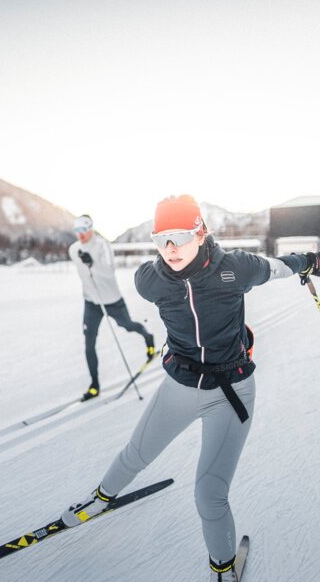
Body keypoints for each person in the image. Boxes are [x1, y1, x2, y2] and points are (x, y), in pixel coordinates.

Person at [63, 196, 320, 580]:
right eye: (161, 239)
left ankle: (222, 568)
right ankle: (101, 499)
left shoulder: (234, 268)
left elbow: (278, 267)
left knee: (209, 494)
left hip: (230, 394)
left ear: (201, 232)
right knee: (135, 454)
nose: (170, 248)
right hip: (180, 385)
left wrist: (310, 261)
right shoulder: (149, 280)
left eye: (180, 236)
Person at [69, 214, 155, 401]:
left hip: (112, 300)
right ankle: (94, 385)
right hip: (92, 302)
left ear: (90, 228)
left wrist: (91, 263)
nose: (80, 234)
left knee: (128, 326)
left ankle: (148, 337)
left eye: (83, 229)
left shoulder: (102, 245)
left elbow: (108, 272)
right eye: (77, 230)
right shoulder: (73, 249)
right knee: (89, 341)